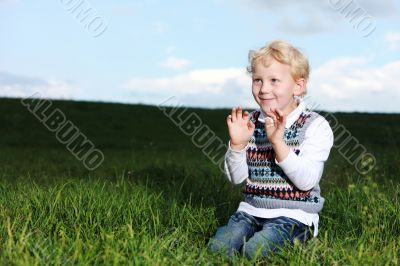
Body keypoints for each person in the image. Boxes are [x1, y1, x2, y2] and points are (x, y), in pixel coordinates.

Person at [207, 40, 334, 259]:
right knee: (218, 249)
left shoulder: (314, 125)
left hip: (294, 215)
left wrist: (278, 144)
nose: (264, 89)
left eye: (274, 80)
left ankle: (300, 239)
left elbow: (307, 181)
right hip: (251, 211)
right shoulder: (250, 122)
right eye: (258, 80)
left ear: (298, 86)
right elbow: (236, 178)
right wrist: (237, 145)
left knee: (254, 253)